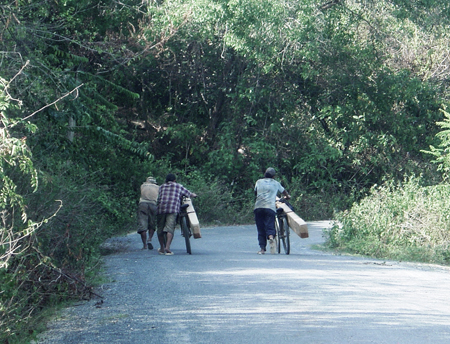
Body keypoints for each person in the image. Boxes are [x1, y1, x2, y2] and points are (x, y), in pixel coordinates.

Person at [156, 173, 197, 255]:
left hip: (161, 209)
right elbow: (189, 194)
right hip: (173, 209)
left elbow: (159, 198)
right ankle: (167, 247)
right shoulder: (178, 186)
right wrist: (194, 195)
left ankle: (162, 248)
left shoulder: (161, 187)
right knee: (170, 228)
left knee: (160, 228)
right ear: (174, 180)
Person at [254, 167, 291, 255]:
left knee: (260, 228)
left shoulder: (258, 182)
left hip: (258, 207)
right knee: (270, 224)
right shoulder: (276, 183)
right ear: (274, 176)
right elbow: (284, 192)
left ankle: (262, 249)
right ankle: (271, 236)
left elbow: (255, 193)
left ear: (264, 174)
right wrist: (287, 197)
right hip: (270, 207)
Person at [137, 176, 159, 250]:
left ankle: (145, 245)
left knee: (143, 224)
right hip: (153, 204)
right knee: (152, 223)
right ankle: (149, 239)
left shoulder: (142, 186)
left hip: (143, 204)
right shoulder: (157, 187)